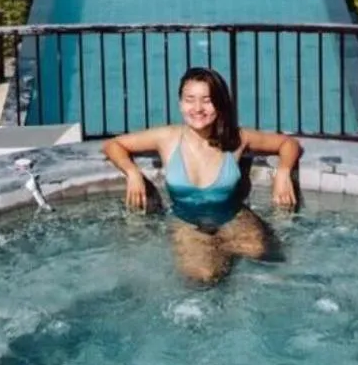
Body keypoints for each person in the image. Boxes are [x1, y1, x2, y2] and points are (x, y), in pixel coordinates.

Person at [101, 66, 302, 284]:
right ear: (180, 103)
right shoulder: (166, 138)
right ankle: (216, 254)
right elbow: (113, 145)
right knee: (204, 278)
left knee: (268, 260)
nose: (198, 108)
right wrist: (132, 173)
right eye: (190, 99)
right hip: (187, 222)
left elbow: (288, 143)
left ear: (220, 104)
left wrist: (283, 173)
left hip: (234, 219)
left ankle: (220, 253)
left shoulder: (237, 139)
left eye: (207, 100)